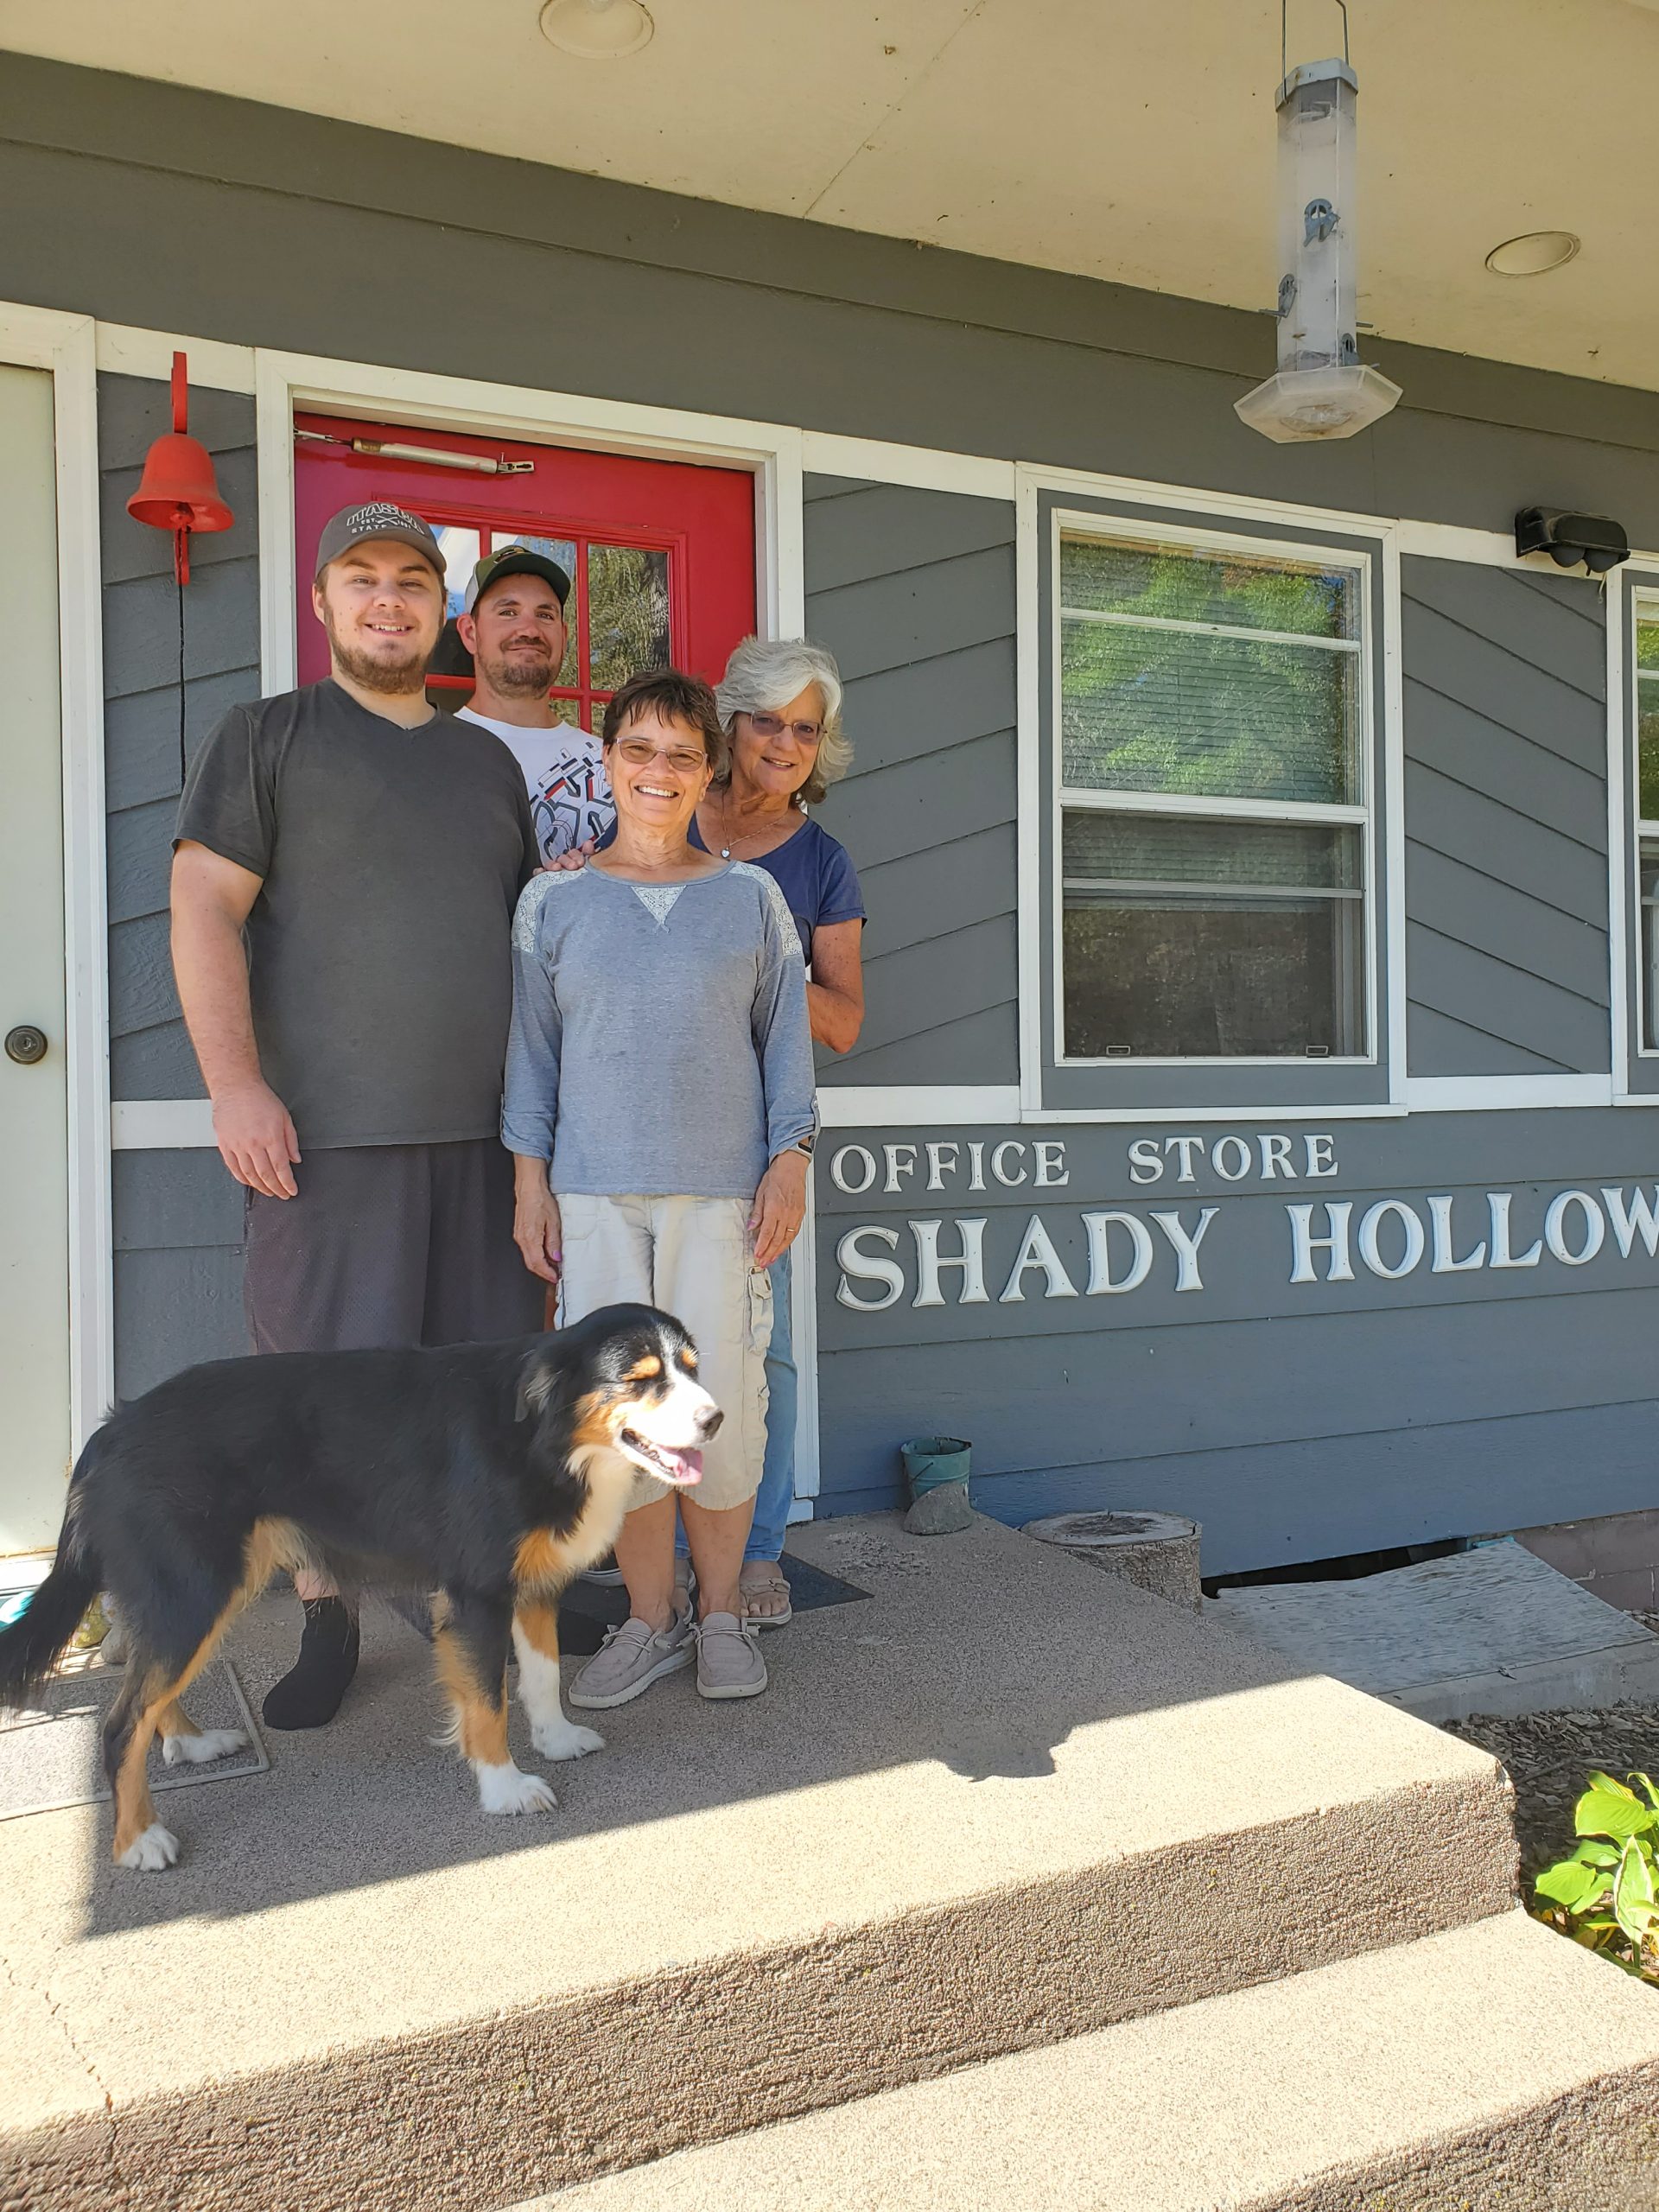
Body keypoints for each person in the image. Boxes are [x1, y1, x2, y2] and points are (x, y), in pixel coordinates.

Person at [170, 501, 544, 1731]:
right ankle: (328, 1619)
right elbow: (204, 908)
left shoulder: (486, 760)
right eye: (363, 580)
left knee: (480, 1404)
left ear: (441, 610)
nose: (390, 601)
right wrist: (235, 1085)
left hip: (487, 1148)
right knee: (325, 1408)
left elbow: (524, 947)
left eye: (413, 582)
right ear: (325, 604)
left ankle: (470, 1607)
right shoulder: (265, 738)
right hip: (323, 1146)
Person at [504, 669, 816, 1707]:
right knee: (622, 1425)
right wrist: (530, 1182)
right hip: (594, 1200)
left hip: (721, 1200)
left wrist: (790, 1157)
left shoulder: (750, 898)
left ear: (707, 770)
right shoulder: (555, 900)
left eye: (682, 754)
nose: (658, 771)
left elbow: (787, 1046)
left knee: (718, 1408)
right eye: (639, 749)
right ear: (608, 761)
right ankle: (652, 1620)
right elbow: (533, 1056)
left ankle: (721, 1615)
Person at [693, 638, 863, 1623]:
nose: (786, 743)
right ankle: (663, 1549)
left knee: (768, 1352)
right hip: (650, 1129)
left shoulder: (820, 862)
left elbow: (843, 1019)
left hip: (765, 1141)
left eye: (807, 729)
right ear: (732, 722)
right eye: (769, 720)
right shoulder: (669, 815)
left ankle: (758, 1553)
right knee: (655, 1342)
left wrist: (759, 956)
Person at [454, 544, 613, 863]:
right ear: (470, 633)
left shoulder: (610, 767)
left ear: (564, 636)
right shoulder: (434, 754)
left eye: (545, 615)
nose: (529, 629)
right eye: (508, 612)